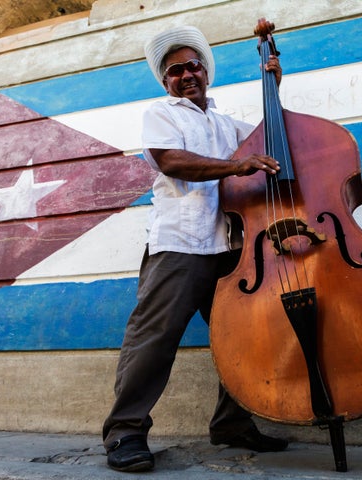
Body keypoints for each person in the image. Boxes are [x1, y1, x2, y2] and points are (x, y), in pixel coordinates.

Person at [102, 25, 288, 473]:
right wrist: (236, 164)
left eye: (193, 65)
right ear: (166, 80)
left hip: (231, 244)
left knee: (242, 337)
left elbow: (271, 141)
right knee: (155, 337)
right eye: (175, 70)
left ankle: (233, 425)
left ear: (206, 72)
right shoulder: (161, 114)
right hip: (181, 243)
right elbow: (171, 161)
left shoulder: (228, 125)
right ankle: (125, 431)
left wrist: (274, 87)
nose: (186, 74)